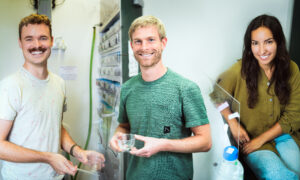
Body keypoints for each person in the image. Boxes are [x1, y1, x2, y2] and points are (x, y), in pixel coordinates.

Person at [0, 14, 105, 180]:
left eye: (43, 38)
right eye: (29, 39)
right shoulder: (11, 86)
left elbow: (55, 125)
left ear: (51, 41)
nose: (37, 45)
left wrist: (77, 151)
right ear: (20, 43)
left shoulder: (59, 83)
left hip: (55, 176)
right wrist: (48, 157)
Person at [109, 15, 211, 180]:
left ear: (163, 43)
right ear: (131, 46)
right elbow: (124, 126)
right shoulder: (127, 88)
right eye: (138, 41)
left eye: (151, 40)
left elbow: (205, 142)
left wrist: (163, 144)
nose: (144, 47)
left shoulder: (185, 88)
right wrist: (117, 136)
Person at [212, 14, 300, 179]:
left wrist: (261, 139)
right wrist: (232, 122)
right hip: (251, 141)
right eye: (255, 43)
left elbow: (294, 115)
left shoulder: (292, 69)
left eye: (268, 42)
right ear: (249, 45)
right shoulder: (238, 70)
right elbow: (216, 96)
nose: (262, 50)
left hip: (284, 135)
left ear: (278, 42)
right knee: (280, 176)